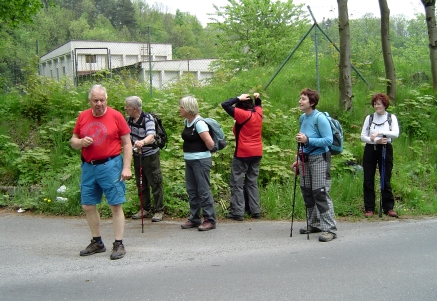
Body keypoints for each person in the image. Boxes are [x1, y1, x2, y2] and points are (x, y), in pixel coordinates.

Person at [70, 84, 132, 260]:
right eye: (95, 100)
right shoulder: (83, 116)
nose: (99, 103)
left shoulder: (116, 116)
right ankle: (97, 242)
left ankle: (119, 244)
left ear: (107, 100)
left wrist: (126, 167)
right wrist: (80, 142)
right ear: (89, 101)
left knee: (115, 204)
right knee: (88, 205)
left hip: (111, 165)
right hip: (89, 166)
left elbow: (127, 143)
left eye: (102, 100)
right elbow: (73, 141)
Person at [291, 88, 337, 242]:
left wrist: (308, 140)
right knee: (307, 191)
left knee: (320, 192)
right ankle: (314, 223)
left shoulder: (320, 118)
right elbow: (302, 141)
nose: (300, 101)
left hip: (319, 158)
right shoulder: (303, 118)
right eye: (300, 98)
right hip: (305, 159)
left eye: (303, 99)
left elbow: (328, 140)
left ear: (312, 102)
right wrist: (298, 159)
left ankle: (330, 229)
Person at [221, 93, 263, 221]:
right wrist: (257, 98)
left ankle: (238, 211)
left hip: (243, 153)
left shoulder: (242, 114)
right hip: (257, 152)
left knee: (237, 182)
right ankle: (255, 210)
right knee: (251, 181)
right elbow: (259, 105)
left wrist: (238, 98)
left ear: (240, 106)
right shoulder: (258, 113)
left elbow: (225, 104)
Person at [179, 96, 217, 231]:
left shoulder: (199, 123)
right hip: (189, 160)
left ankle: (210, 219)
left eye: (182, 107)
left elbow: (211, 144)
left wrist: (203, 154)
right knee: (191, 190)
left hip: (200, 161)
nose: (180, 109)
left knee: (203, 190)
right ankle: (195, 218)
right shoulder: (187, 122)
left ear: (188, 108)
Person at [125, 96, 164, 222]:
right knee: (141, 184)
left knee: (155, 182)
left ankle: (159, 210)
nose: (125, 108)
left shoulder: (148, 119)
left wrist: (142, 142)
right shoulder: (129, 120)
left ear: (134, 108)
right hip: (137, 155)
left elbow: (151, 136)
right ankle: (144, 209)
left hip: (150, 156)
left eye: (127, 107)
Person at [360, 93, 399, 218]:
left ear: (385, 105)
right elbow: (363, 136)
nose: (377, 106)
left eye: (379, 104)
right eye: (375, 104)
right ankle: (369, 208)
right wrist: (376, 140)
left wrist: (380, 133)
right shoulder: (369, 118)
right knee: (368, 179)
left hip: (386, 149)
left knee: (385, 178)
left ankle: (388, 207)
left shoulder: (391, 117)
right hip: (371, 149)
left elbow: (395, 133)